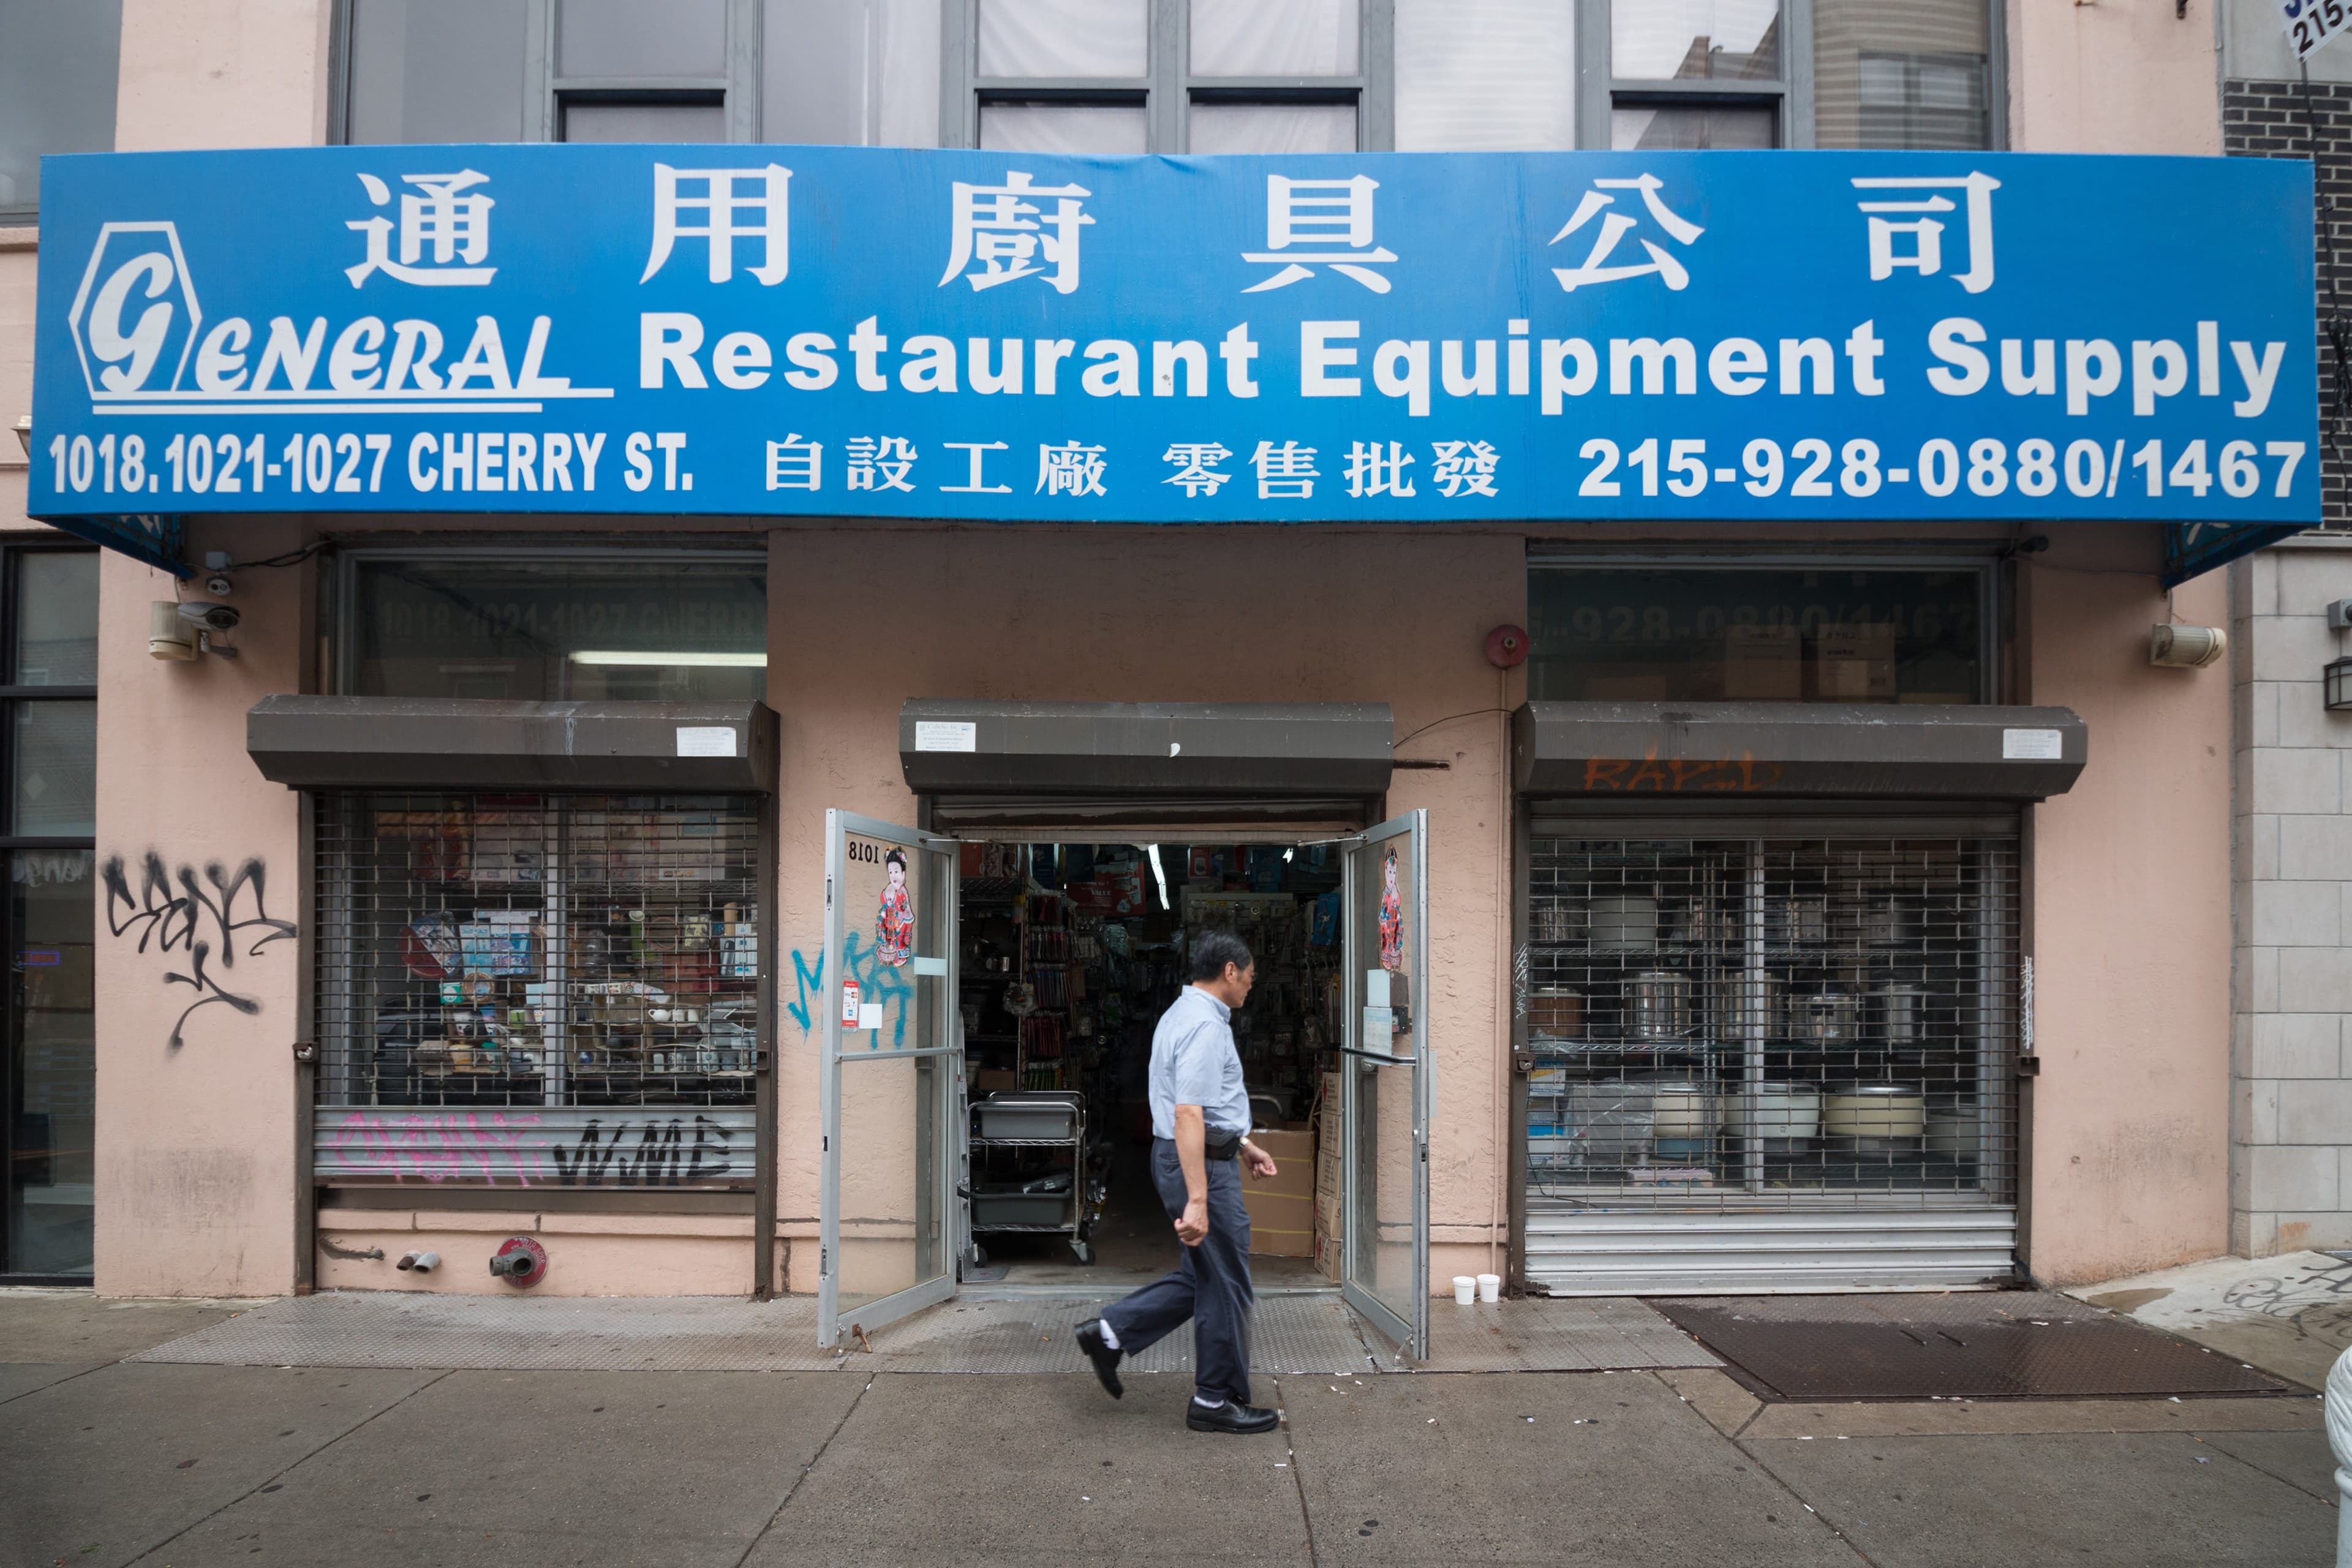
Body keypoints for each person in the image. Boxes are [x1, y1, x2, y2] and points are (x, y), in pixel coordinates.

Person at [1076, 929, 1280, 1434]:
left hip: (1196, 1154)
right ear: (1229, 971)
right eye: (1249, 979)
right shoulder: (1205, 1027)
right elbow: (1188, 1112)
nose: (1251, 988)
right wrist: (1199, 1198)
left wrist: (1243, 1144)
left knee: (1204, 1277)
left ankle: (1109, 1333)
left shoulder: (1181, 1013)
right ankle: (1215, 1400)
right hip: (1197, 1163)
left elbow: (1195, 1106)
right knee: (1227, 1283)